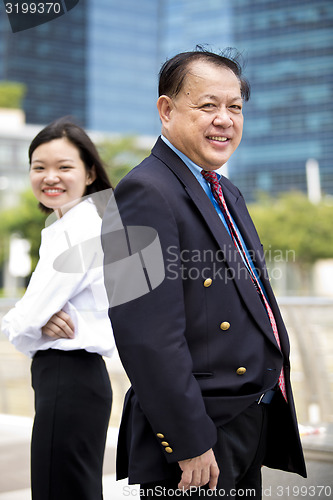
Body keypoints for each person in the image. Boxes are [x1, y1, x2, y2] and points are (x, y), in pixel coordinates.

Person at [101, 48, 307, 499]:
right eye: (208, 105)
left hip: (247, 418)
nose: (225, 119)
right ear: (166, 109)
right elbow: (145, 335)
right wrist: (188, 440)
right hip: (199, 434)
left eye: (234, 107)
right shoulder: (141, 191)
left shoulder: (224, 188)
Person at [2, 118, 115, 500]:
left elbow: (25, 320)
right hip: (75, 381)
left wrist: (20, 322)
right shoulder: (67, 226)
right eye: (39, 167)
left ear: (89, 174)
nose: (50, 176)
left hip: (69, 377)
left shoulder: (76, 232)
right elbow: (34, 315)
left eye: (64, 166)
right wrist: (30, 318)